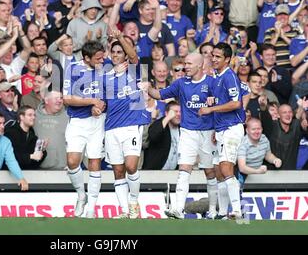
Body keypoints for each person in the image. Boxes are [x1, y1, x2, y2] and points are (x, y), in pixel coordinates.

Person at [146, 53, 218, 219]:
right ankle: (178, 209)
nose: (186, 66)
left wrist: (214, 104)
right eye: (185, 63)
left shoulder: (212, 83)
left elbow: (224, 104)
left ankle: (213, 210)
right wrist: (147, 89)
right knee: (184, 169)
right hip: (187, 132)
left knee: (210, 172)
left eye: (189, 63)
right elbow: (160, 94)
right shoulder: (181, 83)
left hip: (208, 132)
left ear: (200, 66)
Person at [100, 31, 151, 219]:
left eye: (119, 52)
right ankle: (123, 210)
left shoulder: (135, 70)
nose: (116, 55)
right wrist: (98, 108)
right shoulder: (105, 76)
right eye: (113, 52)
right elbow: (103, 103)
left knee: (131, 166)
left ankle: (133, 202)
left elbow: (134, 56)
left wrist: (120, 37)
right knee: (118, 171)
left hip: (132, 125)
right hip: (112, 127)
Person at [199, 43, 246, 219]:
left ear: (227, 59)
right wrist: (215, 127)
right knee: (219, 171)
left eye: (218, 56)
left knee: (226, 169)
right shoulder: (218, 77)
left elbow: (236, 103)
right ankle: (222, 213)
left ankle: (237, 211)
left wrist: (210, 110)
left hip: (232, 128)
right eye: (213, 55)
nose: (214, 59)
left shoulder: (229, 76)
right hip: (221, 129)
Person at [63, 41, 106, 218]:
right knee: (72, 161)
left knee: (94, 163)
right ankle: (82, 195)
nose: (102, 61)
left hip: (98, 122)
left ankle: (91, 208)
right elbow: (67, 98)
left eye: (103, 57)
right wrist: (91, 102)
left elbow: (108, 96)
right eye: (98, 58)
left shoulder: (106, 68)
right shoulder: (72, 69)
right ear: (86, 58)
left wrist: (100, 107)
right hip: (78, 122)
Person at [237, 118, 282, 191]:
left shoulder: (264, 139)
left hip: (259, 175)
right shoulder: (243, 144)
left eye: (259, 129)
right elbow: (242, 168)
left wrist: (275, 160)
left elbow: (268, 155)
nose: (256, 132)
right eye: (253, 129)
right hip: (244, 177)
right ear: (247, 131)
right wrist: (257, 171)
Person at [4, 105, 46, 170]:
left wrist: (41, 149)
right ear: (21, 117)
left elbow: (35, 162)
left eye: (34, 115)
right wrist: (30, 156)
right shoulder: (10, 133)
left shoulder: (33, 137)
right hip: (8, 174)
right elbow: (9, 156)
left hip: (28, 175)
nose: (33, 117)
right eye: (30, 115)